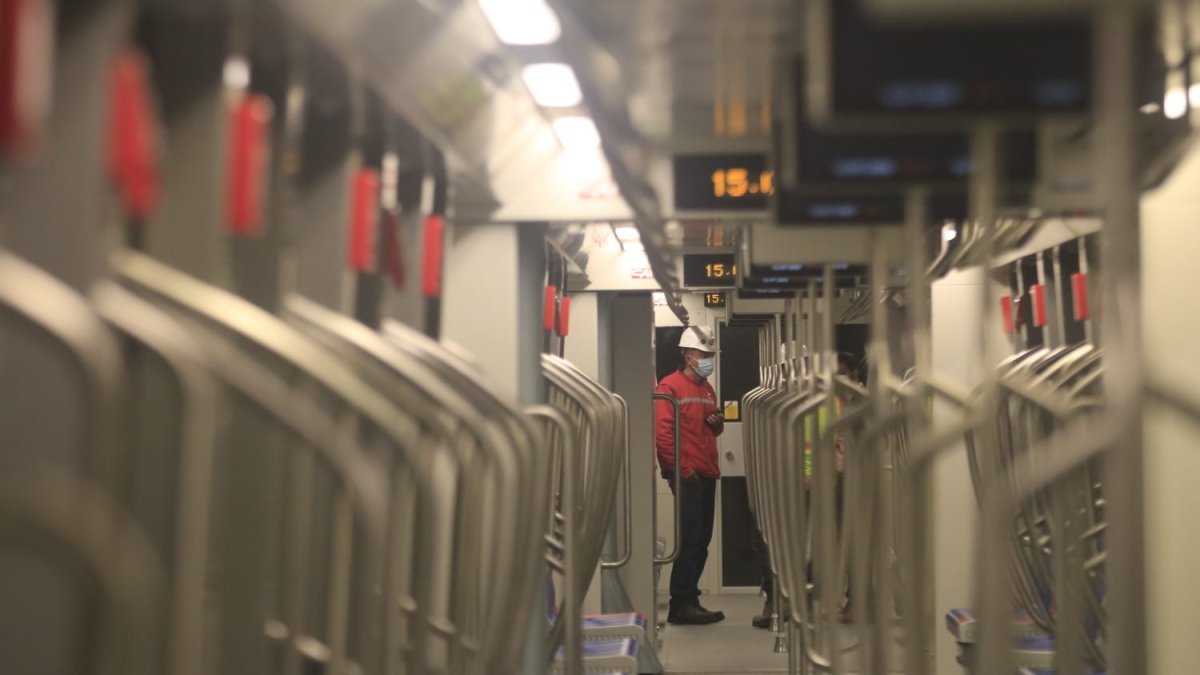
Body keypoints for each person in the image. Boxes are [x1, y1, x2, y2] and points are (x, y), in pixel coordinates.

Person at [655, 325, 726, 625]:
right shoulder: (669, 387)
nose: (708, 359)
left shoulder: (707, 388)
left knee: (702, 539)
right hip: (689, 474)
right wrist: (681, 470)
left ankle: (691, 599)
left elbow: (713, 429)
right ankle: (681, 603)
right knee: (691, 539)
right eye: (702, 353)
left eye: (710, 354)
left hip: (706, 470)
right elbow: (662, 434)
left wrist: (717, 421)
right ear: (687, 355)